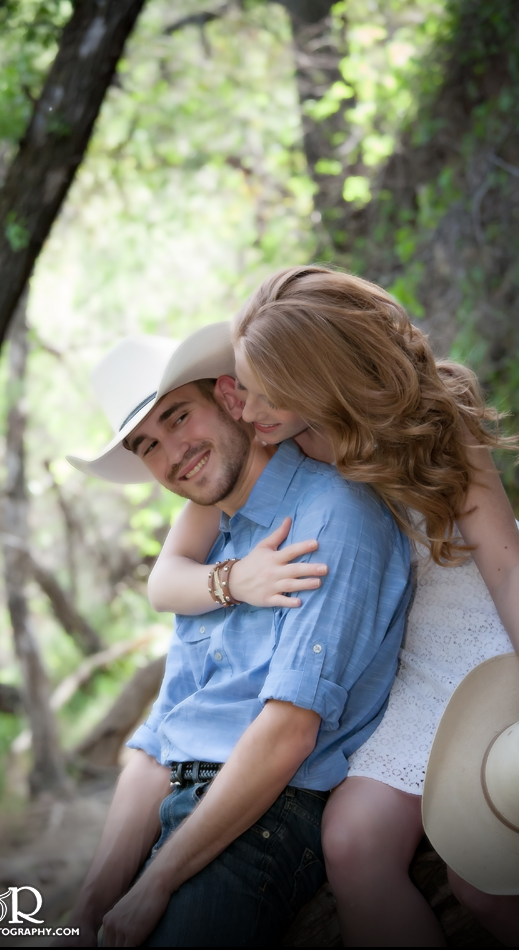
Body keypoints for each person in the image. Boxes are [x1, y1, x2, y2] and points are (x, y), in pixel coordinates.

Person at [148, 265, 519, 946]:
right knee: (351, 843)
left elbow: (502, 568)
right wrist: (232, 579)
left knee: (481, 880)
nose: (243, 405)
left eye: (260, 390)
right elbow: (165, 575)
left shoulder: (438, 422)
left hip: (482, 631)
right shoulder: (280, 435)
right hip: (404, 665)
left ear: (315, 377)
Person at [59, 324, 412, 947]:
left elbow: (288, 734)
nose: (171, 453)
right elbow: (161, 735)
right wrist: (94, 899)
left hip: (268, 815)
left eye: (177, 417)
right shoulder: (209, 554)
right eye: (147, 445)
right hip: (182, 808)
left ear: (228, 396)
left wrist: (156, 883)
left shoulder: (332, 516)